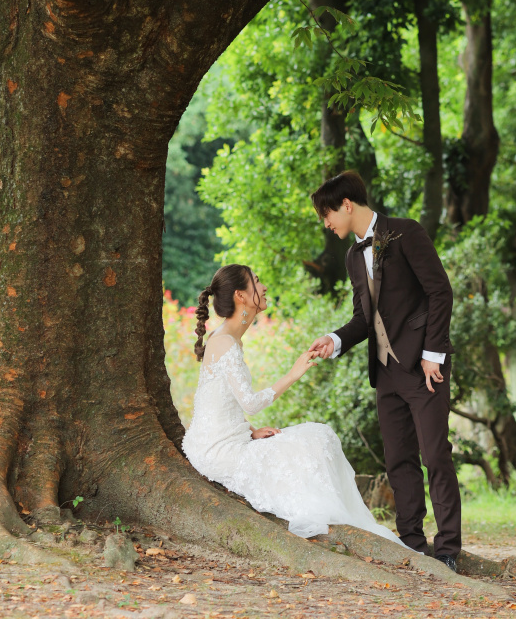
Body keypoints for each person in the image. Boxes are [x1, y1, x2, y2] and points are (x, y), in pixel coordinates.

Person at [182, 262, 410, 545]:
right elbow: (249, 403)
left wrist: (248, 430)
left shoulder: (226, 338)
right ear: (241, 296)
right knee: (316, 438)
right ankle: (332, 520)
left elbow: (218, 400)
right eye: (256, 281)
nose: (263, 287)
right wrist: (293, 373)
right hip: (218, 453)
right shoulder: (226, 342)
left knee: (317, 437)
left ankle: (339, 520)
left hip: (221, 442)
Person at [308, 171, 461, 573]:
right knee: (398, 461)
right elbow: (364, 317)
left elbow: (439, 291)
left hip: (424, 366)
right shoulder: (351, 256)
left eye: (327, 215)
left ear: (346, 205)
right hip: (385, 371)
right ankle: (413, 544)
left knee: (436, 456)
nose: (327, 224)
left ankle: (448, 549)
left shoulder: (406, 233)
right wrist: (334, 339)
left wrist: (434, 354)